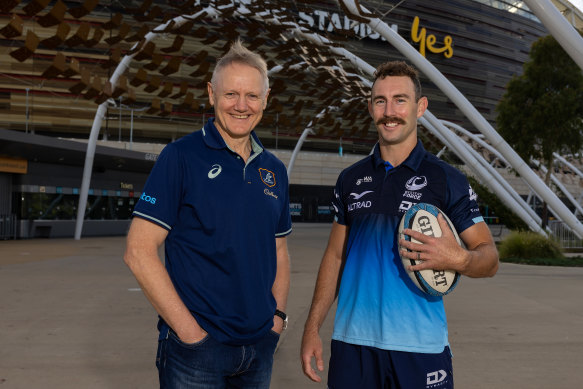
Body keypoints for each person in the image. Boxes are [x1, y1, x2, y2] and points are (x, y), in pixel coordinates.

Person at [300, 60, 499, 388]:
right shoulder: (350, 179)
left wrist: (458, 258)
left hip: (419, 348)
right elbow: (335, 257)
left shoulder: (446, 179)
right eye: (381, 101)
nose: (389, 111)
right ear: (371, 108)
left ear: (420, 107)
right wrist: (312, 329)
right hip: (353, 346)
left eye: (400, 100)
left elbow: (489, 257)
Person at [124, 39, 292, 389]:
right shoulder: (180, 157)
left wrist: (276, 320)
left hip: (259, 347)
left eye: (252, 96)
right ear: (211, 94)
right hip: (197, 350)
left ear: (266, 98)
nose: (241, 106)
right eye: (231, 94)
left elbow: (278, 250)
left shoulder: (274, 170)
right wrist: (190, 333)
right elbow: (139, 252)